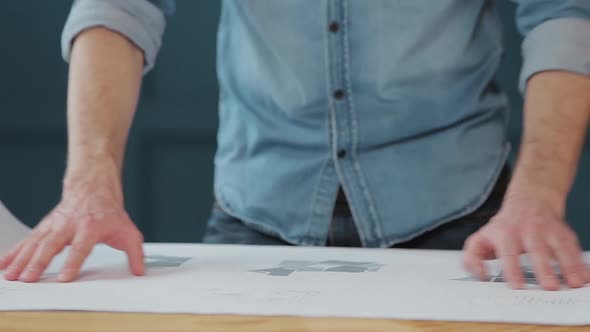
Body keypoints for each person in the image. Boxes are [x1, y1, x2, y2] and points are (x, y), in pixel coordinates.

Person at [1, 1, 589, 291]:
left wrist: (537, 197)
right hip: (258, 209)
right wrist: (88, 184)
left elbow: (566, 13)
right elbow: (119, 8)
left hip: (465, 217)